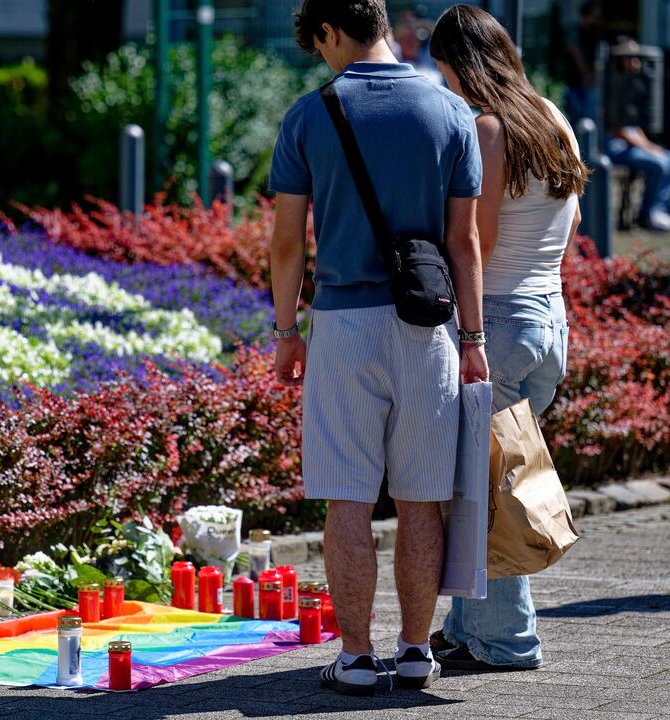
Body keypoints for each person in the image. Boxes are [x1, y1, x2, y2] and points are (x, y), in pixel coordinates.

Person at [269, 0, 487, 696]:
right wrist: (475, 341)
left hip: (343, 323)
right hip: (430, 328)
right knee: (422, 499)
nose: (323, 60)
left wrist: (285, 331)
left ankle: (357, 658)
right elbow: (465, 244)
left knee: (347, 500)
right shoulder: (451, 112)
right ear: (385, 25)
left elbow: (285, 243)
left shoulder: (309, 116)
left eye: (320, 46)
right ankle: (418, 651)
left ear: (331, 32)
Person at [427, 3, 588, 672]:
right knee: (486, 478)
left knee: (490, 491)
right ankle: (468, 629)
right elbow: (569, 229)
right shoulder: (553, 118)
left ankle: (506, 641)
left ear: (462, 67)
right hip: (548, 318)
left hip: (499, 323)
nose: (442, 86)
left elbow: (478, 244)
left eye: (443, 72)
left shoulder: (489, 132)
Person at [606, 39, 670, 233]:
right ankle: (647, 214)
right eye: (631, 58)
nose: (636, 63)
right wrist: (648, 148)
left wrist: (650, 146)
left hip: (633, 143)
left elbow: (633, 126)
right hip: (614, 146)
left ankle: (659, 210)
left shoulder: (632, 84)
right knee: (660, 165)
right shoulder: (611, 85)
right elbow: (617, 129)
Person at [563, 0, 604, 126]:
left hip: (588, 81)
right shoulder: (576, 32)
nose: (598, 19)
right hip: (576, 81)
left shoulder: (594, 33)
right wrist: (586, 73)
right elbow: (576, 53)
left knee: (588, 118)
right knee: (578, 119)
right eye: (595, 16)